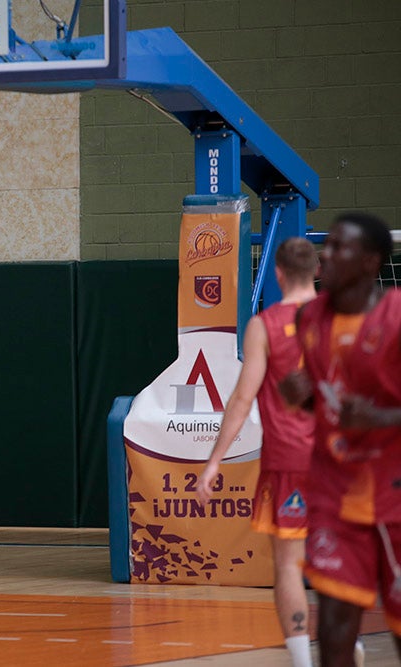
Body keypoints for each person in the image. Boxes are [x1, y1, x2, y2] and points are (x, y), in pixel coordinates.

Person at [281, 212, 401, 666]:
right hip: (337, 494)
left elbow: (366, 414)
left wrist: (380, 417)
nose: (323, 255)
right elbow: (332, 404)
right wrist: (306, 398)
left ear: (371, 262)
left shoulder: (396, 318)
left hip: (394, 494)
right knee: (333, 635)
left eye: (337, 247)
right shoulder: (310, 318)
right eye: (323, 245)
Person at [195, 237, 318, 667]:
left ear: (278, 274)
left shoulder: (264, 325)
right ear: (317, 271)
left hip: (290, 461)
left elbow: (243, 399)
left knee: (289, 563)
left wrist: (214, 462)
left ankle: (304, 660)